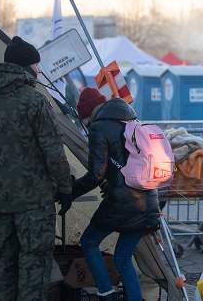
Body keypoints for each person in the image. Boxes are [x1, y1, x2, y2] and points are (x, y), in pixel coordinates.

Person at [0, 36, 74, 301]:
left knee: (2, 265)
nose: (38, 70)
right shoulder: (34, 101)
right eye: (36, 65)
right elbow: (53, 152)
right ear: (26, 67)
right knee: (34, 266)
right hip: (34, 204)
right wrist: (66, 188)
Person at [71, 94, 160, 300]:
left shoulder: (99, 127)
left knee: (89, 242)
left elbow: (96, 174)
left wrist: (70, 192)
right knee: (123, 257)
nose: (87, 125)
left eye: (85, 121)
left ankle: (106, 292)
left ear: (91, 113)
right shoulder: (133, 122)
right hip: (149, 202)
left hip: (123, 203)